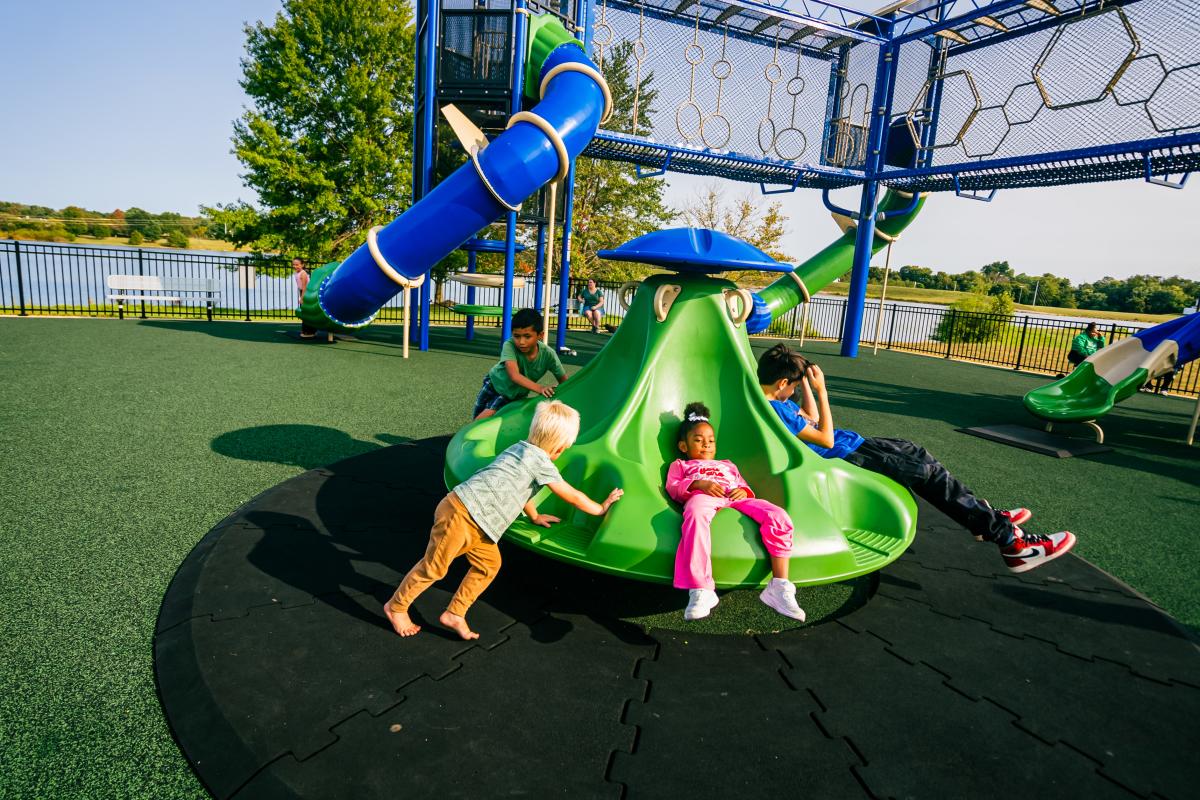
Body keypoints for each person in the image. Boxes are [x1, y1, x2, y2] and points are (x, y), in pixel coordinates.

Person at [756, 344, 1076, 574]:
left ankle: (979, 514)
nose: (796, 392)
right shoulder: (776, 408)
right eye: (794, 387)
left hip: (855, 443)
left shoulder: (772, 400)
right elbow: (824, 436)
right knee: (927, 474)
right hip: (847, 454)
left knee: (915, 450)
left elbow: (810, 419)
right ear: (784, 384)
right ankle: (1012, 544)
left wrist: (808, 386)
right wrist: (823, 392)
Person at [383, 400, 623, 640]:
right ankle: (396, 607)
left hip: (478, 523)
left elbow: (520, 489)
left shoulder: (518, 448)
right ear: (560, 449)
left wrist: (535, 515)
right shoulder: (542, 464)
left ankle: (455, 613)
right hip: (462, 514)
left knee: (489, 566)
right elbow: (573, 496)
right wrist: (600, 508)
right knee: (434, 568)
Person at [666, 401, 806, 622]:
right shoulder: (681, 466)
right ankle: (701, 588)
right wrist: (698, 485)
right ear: (684, 446)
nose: (706, 445)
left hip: (733, 496)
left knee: (778, 515)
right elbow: (673, 488)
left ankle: (779, 587)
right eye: (698, 440)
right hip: (704, 497)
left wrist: (744, 491)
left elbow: (742, 484)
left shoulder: (727, 465)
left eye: (711, 441)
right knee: (694, 511)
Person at [473, 308, 568, 419]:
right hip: (494, 383)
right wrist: (540, 388)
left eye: (527, 336)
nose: (521, 342)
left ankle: (469, 433)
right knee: (477, 415)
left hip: (513, 394)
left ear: (540, 335)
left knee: (484, 418)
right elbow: (514, 375)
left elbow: (564, 381)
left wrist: (560, 391)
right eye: (517, 336)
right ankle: (466, 433)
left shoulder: (549, 355)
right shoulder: (510, 345)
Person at [293, 257, 333, 342]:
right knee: (305, 312)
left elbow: (304, 288)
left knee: (306, 313)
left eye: (297, 264)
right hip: (303, 292)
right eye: (294, 264)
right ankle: (308, 331)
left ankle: (309, 332)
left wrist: (302, 298)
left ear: (302, 265)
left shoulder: (303, 274)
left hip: (306, 293)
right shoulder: (297, 273)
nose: (295, 266)